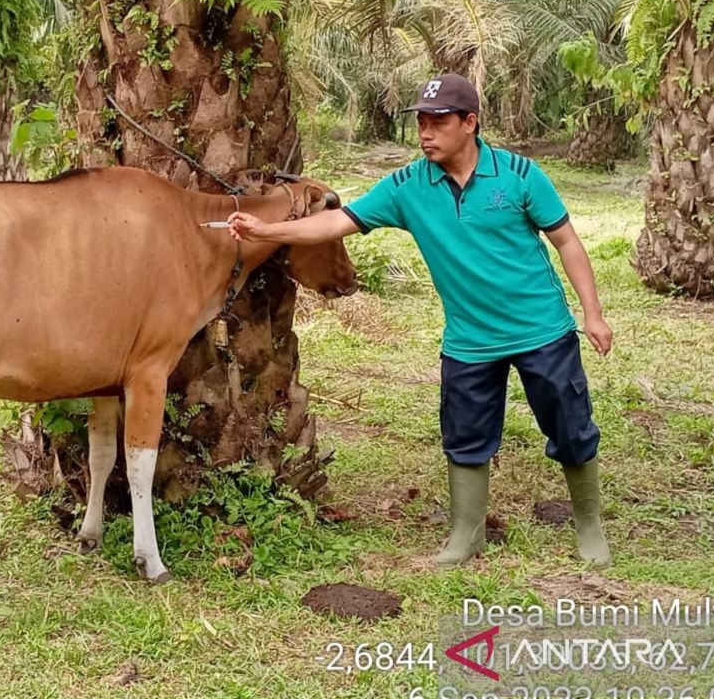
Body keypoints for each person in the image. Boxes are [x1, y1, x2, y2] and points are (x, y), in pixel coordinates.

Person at [228, 74, 612, 567]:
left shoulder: (519, 174)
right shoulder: (408, 186)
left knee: (570, 425)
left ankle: (589, 526)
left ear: (470, 123)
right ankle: (465, 534)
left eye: (438, 122)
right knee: (465, 435)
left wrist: (593, 314)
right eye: (421, 123)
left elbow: (567, 242)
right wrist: (268, 229)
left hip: (542, 330)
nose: (426, 133)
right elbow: (337, 222)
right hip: (470, 340)